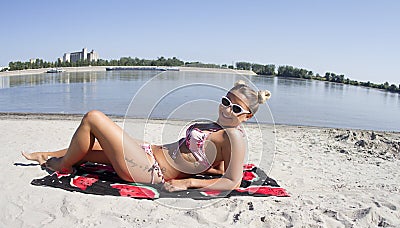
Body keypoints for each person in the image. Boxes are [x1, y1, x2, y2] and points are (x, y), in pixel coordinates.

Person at [22, 80, 271, 192]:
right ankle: (46, 155)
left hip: (151, 170)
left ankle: (63, 165)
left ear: (247, 117)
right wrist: (208, 169)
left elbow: (233, 182)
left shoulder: (235, 138)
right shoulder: (218, 127)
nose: (227, 109)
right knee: (86, 148)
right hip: (150, 152)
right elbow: (220, 166)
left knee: (93, 118)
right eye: (226, 101)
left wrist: (188, 182)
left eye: (236, 108)